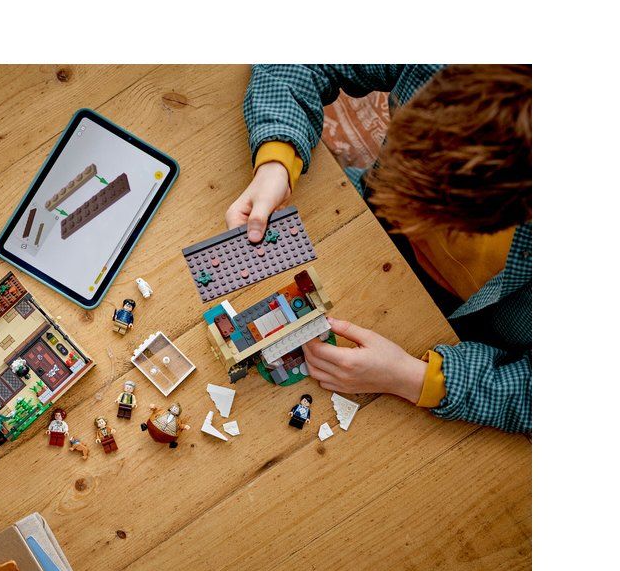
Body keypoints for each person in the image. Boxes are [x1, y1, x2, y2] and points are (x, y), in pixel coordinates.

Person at [227, 64, 530, 434]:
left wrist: (415, 379)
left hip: (467, 338)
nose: (420, 223)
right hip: (363, 221)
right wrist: (276, 162)